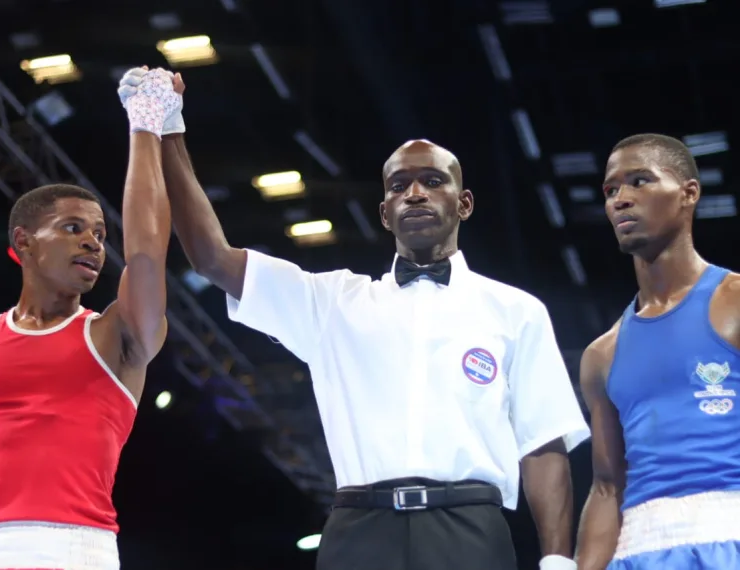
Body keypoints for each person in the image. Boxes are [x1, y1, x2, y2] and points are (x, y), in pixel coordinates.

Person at [118, 68, 589, 570]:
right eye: (399, 185)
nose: (415, 193)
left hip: (471, 530)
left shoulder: (516, 310)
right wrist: (170, 128)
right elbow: (213, 258)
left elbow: (543, 445)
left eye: (433, 181)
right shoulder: (332, 301)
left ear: (464, 203)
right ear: (385, 212)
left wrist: (558, 561)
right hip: (359, 531)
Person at [0, 69, 182, 569]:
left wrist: (146, 124)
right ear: (24, 241)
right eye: (73, 228)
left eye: (99, 234)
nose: (93, 242)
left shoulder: (115, 336)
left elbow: (147, 254)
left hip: (75, 550)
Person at [575, 133, 740, 570]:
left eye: (640, 181)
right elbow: (607, 487)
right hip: (638, 552)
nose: (621, 199)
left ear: (689, 193)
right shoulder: (601, 355)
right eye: (611, 190)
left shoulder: (736, 303)